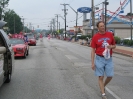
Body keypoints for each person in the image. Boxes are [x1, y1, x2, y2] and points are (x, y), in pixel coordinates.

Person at [90, 21, 116, 99]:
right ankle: (103, 94)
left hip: (108, 59)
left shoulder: (110, 34)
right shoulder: (95, 37)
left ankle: (103, 86)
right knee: (100, 77)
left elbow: (114, 45)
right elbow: (93, 50)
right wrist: (92, 63)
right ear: (98, 28)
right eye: (101, 26)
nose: (103, 27)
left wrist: (111, 47)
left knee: (110, 76)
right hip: (99, 58)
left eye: (103, 25)